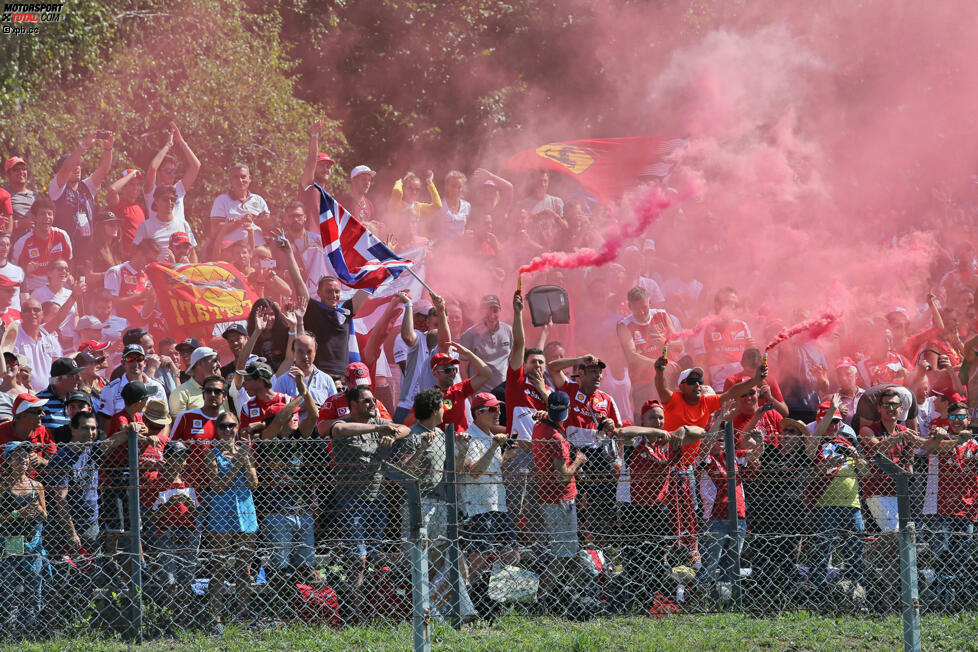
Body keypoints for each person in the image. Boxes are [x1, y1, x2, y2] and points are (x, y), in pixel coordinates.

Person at [329, 385, 410, 620]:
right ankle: (356, 614)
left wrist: (390, 433)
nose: (372, 404)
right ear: (352, 405)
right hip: (350, 503)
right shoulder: (344, 423)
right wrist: (380, 426)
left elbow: (406, 429)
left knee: (374, 558)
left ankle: (375, 610)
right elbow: (339, 430)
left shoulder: (380, 425)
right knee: (358, 560)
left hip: (376, 503)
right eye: (366, 401)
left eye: (373, 400)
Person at [615, 400, 704, 610]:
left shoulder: (668, 440)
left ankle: (648, 601)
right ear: (643, 419)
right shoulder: (638, 440)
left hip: (656, 508)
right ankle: (632, 603)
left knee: (655, 559)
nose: (659, 421)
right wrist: (653, 430)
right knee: (633, 559)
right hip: (632, 507)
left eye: (661, 417)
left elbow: (700, 432)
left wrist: (683, 429)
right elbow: (622, 432)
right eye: (653, 416)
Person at [256, 369, 320, 603]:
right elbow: (281, 419)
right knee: (279, 567)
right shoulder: (268, 439)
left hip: (302, 512)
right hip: (277, 514)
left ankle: (300, 606)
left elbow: (313, 416)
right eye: (293, 415)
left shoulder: (299, 439)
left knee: (305, 566)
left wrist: (304, 390)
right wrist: (294, 400)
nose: (296, 418)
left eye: (296, 415)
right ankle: (278, 606)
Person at [547, 354, 623, 545]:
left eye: (599, 372)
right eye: (592, 372)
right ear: (581, 374)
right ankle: (578, 544)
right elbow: (552, 368)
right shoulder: (570, 390)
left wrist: (612, 426)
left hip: (599, 455)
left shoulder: (607, 399)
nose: (597, 375)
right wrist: (580, 359)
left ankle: (604, 547)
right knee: (576, 502)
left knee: (604, 505)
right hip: (575, 453)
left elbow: (619, 431)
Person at [808, 402, 871, 607]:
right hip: (824, 505)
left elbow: (866, 472)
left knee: (854, 551)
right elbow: (810, 474)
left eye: (837, 422)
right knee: (821, 551)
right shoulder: (814, 442)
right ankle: (816, 594)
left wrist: (855, 454)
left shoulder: (847, 441)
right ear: (820, 421)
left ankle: (856, 593)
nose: (833, 426)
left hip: (852, 505)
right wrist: (826, 466)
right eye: (830, 421)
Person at [203, 411, 258, 630]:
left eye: (232, 426)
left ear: (237, 428)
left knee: (244, 568)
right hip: (221, 515)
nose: (228, 430)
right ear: (217, 429)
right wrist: (238, 462)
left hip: (245, 512)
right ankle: (215, 617)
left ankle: (242, 614)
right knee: (219, 567)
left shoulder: (246, 451)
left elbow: (254, 483)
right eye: (223, 426)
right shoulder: (211, 454)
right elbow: (217, 486)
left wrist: (245, 458)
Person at [919, 401, 976, 607]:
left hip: (966, 509)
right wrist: (956, 441)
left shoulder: (975, 444)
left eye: (961, 417)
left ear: (969, 419)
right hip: (938, 508)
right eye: (952, 417)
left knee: (961, 557)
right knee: (940, 556)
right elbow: (929, 447)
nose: (957, 421)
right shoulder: (940, 436)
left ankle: (956, 602)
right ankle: (938, 601)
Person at [459, 393, 519, 579]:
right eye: (493, 409)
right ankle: (468, 600)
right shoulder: (469, 438)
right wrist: (494, 447)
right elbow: (475, 471)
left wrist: (505, 458)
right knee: (479, 557)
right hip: (478, 506)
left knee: (512, 555)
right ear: (478, 413)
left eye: (499, 409)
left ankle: (501, 598)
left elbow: (491, 468)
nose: (498, 413)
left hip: (498, 504)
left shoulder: (492, 437)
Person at [47, 411, 123, 556]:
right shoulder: (62, 459)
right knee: (68, 573)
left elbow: (116, 440)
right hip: (66, 527)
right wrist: (71, 534)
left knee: (92, 571)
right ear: (73, 429)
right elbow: (60, 500)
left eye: (93, 428)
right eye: (85, 428)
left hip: (90, 524)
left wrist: (133, 428)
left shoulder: (92, 450)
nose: (90, 433)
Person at [141, 440, 200, 621]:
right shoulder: (157, 481)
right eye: (176, 457)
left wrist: (192, 507)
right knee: (169, 579)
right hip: (165, 533)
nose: (180, 462)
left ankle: (183, 616)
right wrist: (169, 506)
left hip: (188, 534)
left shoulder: (189, 482)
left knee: (186, 579)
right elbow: (151, 517)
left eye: (183, 458)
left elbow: (199, 512)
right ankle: (169, 617)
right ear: (167, 459)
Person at [0, 441, 48, 638]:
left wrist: (37, 512)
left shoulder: (37, 485)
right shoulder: (3, 485)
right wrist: (17, 514)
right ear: (9, 460)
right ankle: (5, 627)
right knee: (9, 583)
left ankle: (30, 627)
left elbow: (45, 515)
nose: (23, 459)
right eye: (18, 456)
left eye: (26, 455)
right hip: (11, 538)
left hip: (32, 541)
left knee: (33, 583)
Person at [858, 387, 919, 533]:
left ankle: (873, 552)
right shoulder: (867, 430)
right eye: (886, 405)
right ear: (879, 408)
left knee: (900, 535)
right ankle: (874, 551)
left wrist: (939, 438)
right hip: (877, 491)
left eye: (894, 405)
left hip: (900, 492)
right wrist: (898, 437)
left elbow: (923, 445)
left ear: (901, 409)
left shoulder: (904, 431)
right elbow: (878, 448)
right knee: (896, 533)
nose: (890, 408)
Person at [48, 132, 113, 249]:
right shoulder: (56, 188)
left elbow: (103, 170)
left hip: (86, 249)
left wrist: (108, 149)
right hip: (63, 248)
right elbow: (67, 166)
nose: (76, 168)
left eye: (79, 164)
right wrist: (84, 146)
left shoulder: (87, 186)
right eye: (74, 164)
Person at [299, 275, 369, 376]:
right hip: (318, 374)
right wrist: (289, 258)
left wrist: (384, 268)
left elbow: (368, 286)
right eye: (329, 291)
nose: (333, 295)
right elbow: (298, 283)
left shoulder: (346, 310)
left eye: (337, 291)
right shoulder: (312, 309)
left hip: (343, 377)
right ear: (319, 293)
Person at [142, 122, 201, 225]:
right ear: (159, 173)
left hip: (181, 238)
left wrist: (181, 141)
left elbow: (196, 166)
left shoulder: (178, 188)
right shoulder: (151, 190)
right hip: (160, 238)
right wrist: (168, 145)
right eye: (168, 171)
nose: (172, 174)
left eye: (174, 171)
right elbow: (152, 168)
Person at [13, 197, 73, 291]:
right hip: (35, 289)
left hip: (61, 287)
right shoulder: (22, 242)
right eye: (42, 214)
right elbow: (14, 273)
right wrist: (26, 270)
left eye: (50, 214)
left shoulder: (62, 235)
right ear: (34, 217)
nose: (47, 217)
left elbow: (70, 261)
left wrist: (70, 276)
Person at [430, 343, 492, 433]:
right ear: (435, 372)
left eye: (454, 369)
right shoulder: (429, 397)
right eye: (447, 370)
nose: (452, 373)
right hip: (443, 445)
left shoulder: (460, 389)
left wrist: (468, 353)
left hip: (464, 443)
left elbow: (486, 373)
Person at [98, 344, 167, 422]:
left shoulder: (157, 387)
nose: (135, 363)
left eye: (139, 358)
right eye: (130, 359)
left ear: (145, 362)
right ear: (123, 363)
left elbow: (165, 420)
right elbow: (105, 422)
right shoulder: (110, 389)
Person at [103, 238, 161, 330]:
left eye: (153, 261)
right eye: (149, 259)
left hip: (142, 331)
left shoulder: (149, 276)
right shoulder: (115, 272)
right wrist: (140, 296)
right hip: (119, 329)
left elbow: (146, 313)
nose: (150, 264)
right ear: (139, 253)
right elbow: (111, 304)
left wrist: (151, 299)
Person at [459, 294, 514, 392]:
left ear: (500, 311)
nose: (492, 315)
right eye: (487, 311)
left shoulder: (509, 331)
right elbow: (463, 368)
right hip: (480, 395)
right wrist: (467, 394)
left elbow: (513, 361)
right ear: (480, 311)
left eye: (495, 311)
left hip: (504, 393)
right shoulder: (469, 335)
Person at [133, 184, 198, 262]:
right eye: (165, 199)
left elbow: (193, 254)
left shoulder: (183, 224)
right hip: (155, 272)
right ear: (156, 201)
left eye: (173, 199)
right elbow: (135, 254)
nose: (169, 202)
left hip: (179, 272)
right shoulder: (145, 226)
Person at [209, 162, 270, 245]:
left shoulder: (258, 200)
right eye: (236, 177)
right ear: (230, 180)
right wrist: (240, 221)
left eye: (243, 177)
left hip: (259, 250)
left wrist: (260, 221)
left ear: (250, 179)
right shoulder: (221, 200)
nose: (240, 180)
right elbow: (215, 231)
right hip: (232, 251)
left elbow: (270, 227)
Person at [168, 346, 222, 417]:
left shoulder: (221, 389)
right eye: (215, 361)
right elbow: (180, 426)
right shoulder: (180, 394)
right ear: (200, 363)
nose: (219, 365)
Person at [106, 169, 145, 257]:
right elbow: (112, 190)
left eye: (138, 184)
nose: (136, 187)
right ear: (124, 186)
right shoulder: (118, 203)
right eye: (132, 184)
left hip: (138, 258)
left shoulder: (140, 207)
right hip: (122, 258)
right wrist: (131, 174)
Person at [37, 357, 82, 431]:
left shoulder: (79, 398)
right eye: (74, 375)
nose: (79, 379)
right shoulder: (39, 401)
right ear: (60, 379)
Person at [3, 156, 37, 237]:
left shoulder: (36, 196)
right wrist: (18, 224)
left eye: (23, 168)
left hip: (35, 245)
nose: (21, 172)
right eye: (16, 169)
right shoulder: (3, 195)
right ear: (8, 174)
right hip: (13, 246)